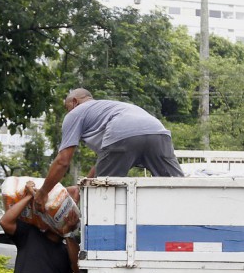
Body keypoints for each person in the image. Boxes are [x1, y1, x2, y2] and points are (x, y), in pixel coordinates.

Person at [34, 88, 182, 210]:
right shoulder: (109, 108)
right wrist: (81, 188)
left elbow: (63, 161)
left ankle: (103, 236)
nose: (68, 112)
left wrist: (43, 192)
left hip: (122, 132)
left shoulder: (75, 113)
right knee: (179, 187)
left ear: (74, 102)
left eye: (67, 109)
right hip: (158, 132)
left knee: (102, 193)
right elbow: (105, 160)